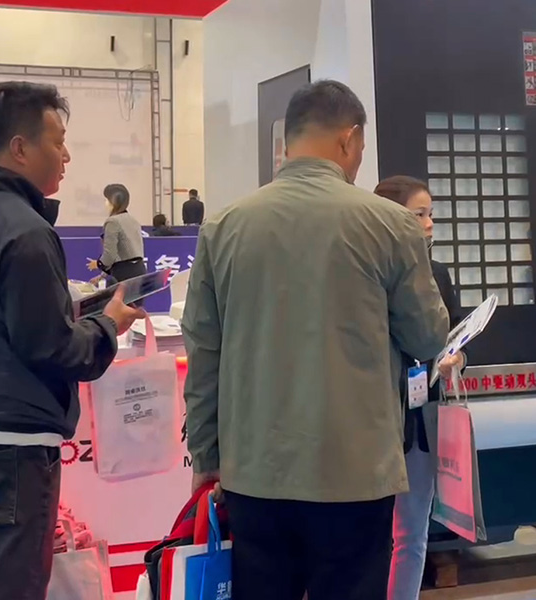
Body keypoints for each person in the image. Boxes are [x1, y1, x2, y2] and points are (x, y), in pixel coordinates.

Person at [182, 80, 449, 600]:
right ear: (349, 139)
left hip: (254, 474)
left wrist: (207, 456)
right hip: (356, 473)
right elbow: (428, 335)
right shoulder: (392, 225)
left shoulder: (224, 227)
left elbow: (204, 353)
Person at [0, 81, 144, 600]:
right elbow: (56, 350)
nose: (66, 155)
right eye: (57, 142)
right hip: (9, 448)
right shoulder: (26, 231)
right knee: (11, 586)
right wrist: (108, 324)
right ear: (20, 147)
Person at [375, 176, 465, 600]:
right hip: (373, 422)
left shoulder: (438, 274)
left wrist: (455, 359)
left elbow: (455, 335)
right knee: (367, 536)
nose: (429, 224)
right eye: (419, 214)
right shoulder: (366, 272)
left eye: (431, 214)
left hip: (422, 419)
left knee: (412, 534)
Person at [86, 183, 146, 283]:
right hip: (139, 270)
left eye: (107, 200)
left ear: (113, 202)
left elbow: (110, 255)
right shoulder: (133, 221)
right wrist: (102, 276)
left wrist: (98, 264)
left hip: (123, 274)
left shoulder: (112, 222)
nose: (105, 203)